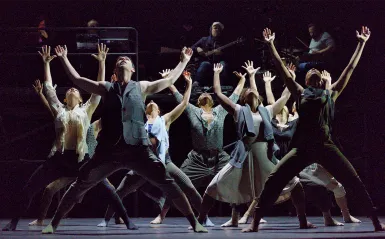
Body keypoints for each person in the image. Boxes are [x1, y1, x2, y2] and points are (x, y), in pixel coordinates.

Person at [40, 45, 207, 234]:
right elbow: (78, 80)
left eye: (126, 59)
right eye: (119, 60)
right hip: (109, 151)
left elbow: (168, 80)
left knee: (168, 183)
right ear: (115, 70)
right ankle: (53, 223)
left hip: (138, 150)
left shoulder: (141, 86)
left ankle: (194, 222)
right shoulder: (106, 87)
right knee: (80, 183)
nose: (122, 59)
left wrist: (183, 60)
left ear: (133, 69)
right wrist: (64, 58)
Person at [242, 26, 385, 233]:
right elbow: (283, 71)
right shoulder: (300, 93)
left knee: (353, 180)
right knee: (275, 179)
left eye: (316, 71)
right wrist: (271, 45)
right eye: (310, 71)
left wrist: (361, 43)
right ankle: (255, 222)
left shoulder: (331, 93)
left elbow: (350, 69)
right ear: (306, 80)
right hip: (302, 148)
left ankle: (374, 221)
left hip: (326, 146)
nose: (313, 71)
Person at [1, 44, 107, 231]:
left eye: (76, 90)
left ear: (81, 99)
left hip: (80, 159)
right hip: (59, 158)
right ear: (65, 98)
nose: (72, 90)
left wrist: (102, 63)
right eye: (69, 91)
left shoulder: (86, 109)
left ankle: (126, 219)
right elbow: (49, 90)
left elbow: (98, 91)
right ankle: (15, 221)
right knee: (31, 187)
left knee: (106, 187)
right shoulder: (59, 109)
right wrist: (47, 64)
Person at [196, 62, 314, 230]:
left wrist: (292, 76)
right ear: (244, 99)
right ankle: (200, 220)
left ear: (258, 98)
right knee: (213, 186)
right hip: (243, 157)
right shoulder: (238, 110)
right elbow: (218, 93)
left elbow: (286, 96)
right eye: (248, 92)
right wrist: (216, 73)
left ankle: (303, 221)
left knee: (295, 184)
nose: (251, 91)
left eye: (253, 91)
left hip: (265, 157)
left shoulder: (267, 110)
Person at [239, 68, 360, 226]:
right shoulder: (273, 122)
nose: (282, 109)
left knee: (334, 186)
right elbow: (271, 101)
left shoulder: (295, 120)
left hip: (308, 160)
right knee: (275, 185)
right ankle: (251, 216)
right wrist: (265, 83)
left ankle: (339, 216)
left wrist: (327, 84)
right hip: (286, 161)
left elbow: (321, 105)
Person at [97, 70, 205, 227]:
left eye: (154, 105)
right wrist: (115, 86)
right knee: (121, 190)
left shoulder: (165, 119)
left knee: (187, 186)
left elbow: (184, 104)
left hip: (163, 161)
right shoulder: (140, 119)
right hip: (143, 161)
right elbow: (123, 107)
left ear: (159, 110)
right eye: (148, 104)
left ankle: (203, 217)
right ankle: (106, 219)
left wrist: (188, 84)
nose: (151, 104)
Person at [154, 64, 245, 225]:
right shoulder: (192, 111)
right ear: (198, 101)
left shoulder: (221, 110)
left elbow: (235, 96)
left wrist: (243, 79)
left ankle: (235, 218)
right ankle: (161, 215)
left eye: (207, 94)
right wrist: (168, 81)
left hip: (219, 156)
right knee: (177, 184)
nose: (205, 94)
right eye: (201, 94)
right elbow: (178, 97)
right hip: (197, 158)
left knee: (235, 180)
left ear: (212, 100)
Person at [191, 22, 228, 87]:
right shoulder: (204, 39)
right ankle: (196, 83)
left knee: (223, 64)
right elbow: (192, 48)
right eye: (215, 28)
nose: (216, 30)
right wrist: (197, 48)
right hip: (207, 62)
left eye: (218, 29)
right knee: (204, 64)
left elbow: (230, 55)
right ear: (211, 29)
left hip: (218, 62)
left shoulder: (224, 41)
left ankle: (221, 86)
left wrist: (222, 54)